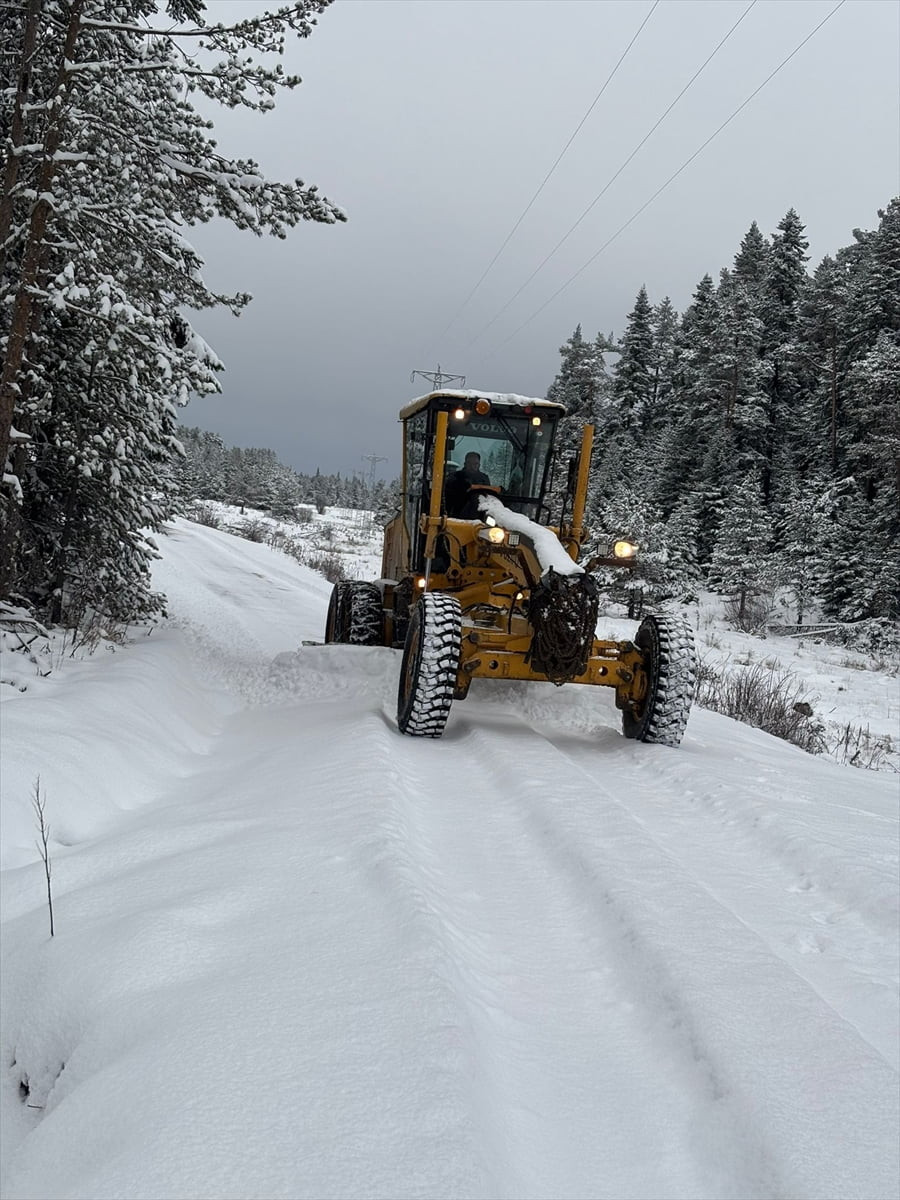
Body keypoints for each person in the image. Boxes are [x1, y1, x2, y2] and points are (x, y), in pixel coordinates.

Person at [445, 451, 491, 518]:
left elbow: (488, 498)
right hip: (455, 516)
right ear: (465, 464)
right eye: (469, 463)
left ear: (479, 465)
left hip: (479, 518)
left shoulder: (484, 479)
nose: (472, 466)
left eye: (475, 464)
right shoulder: (455, 477)